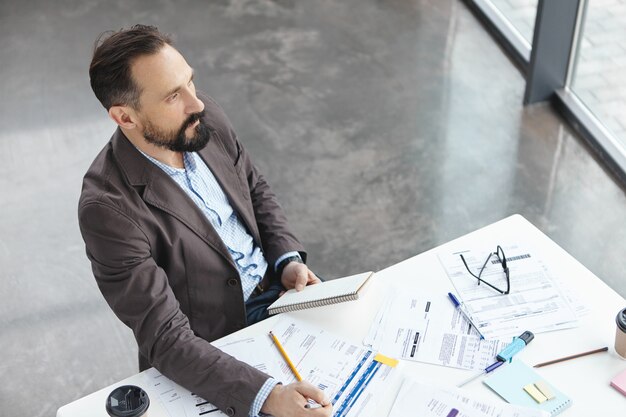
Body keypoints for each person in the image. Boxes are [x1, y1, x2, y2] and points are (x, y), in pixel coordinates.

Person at [79, 24, 332, 417]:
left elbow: (253, 185)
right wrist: (266, 396)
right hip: (212, 345)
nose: (196, 103)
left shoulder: (201, 116)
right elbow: (165, 337)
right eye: (172, 96)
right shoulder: (106, 210)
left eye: (190, 82)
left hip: (282, 298)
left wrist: (286, 260)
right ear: (125, 117)